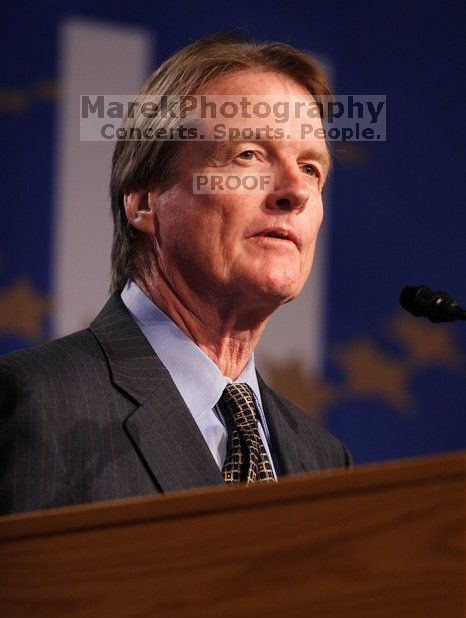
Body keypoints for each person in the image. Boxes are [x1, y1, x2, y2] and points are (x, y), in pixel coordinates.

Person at [0, 33, 352, 516]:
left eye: (311, 168)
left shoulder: (326, 464)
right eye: (247, 155)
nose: (295, 190)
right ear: (144, 200)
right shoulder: (33, 405)